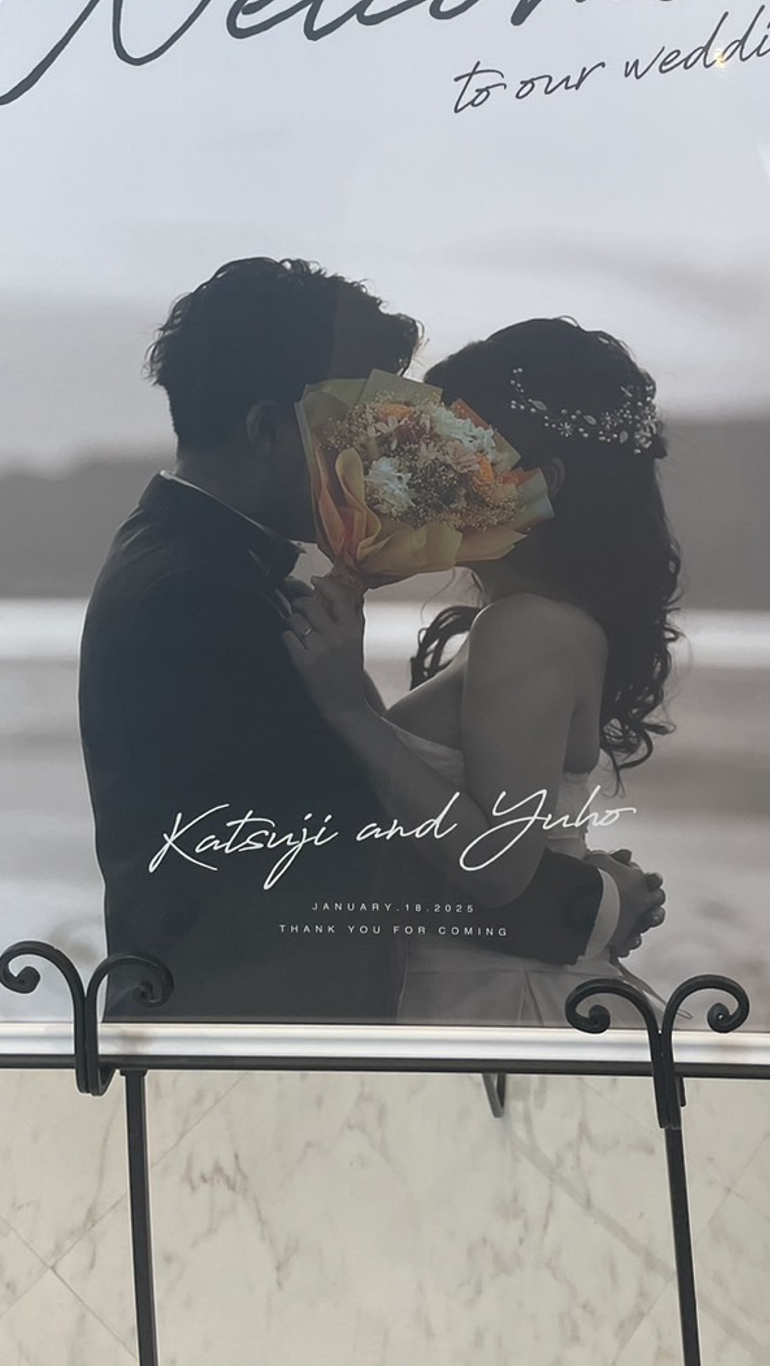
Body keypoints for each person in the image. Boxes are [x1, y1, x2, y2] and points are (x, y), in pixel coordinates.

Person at [78, 260, 658, 1023]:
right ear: (267, 431)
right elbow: (320, 856)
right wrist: (593, 900)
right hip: (243, 1031)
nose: (388, 451)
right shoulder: (194, 595)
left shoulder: (224, 574)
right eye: (357, 419)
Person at [286, 318, 677, 1024]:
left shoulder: (526, 627)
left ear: (539, 482)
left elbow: (499, 867)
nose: (418, 472)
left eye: (454, 449)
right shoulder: (534, 621)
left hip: (497, 1001)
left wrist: (348, 712)